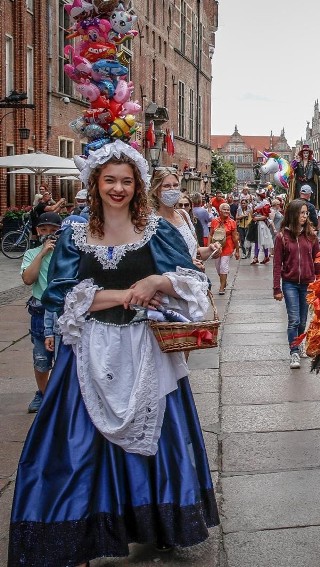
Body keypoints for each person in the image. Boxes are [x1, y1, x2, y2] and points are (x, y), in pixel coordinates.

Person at [7, 141, 219, 566]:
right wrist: (123, 293)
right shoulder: (73, 233)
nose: (118, 188)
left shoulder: (157, 231)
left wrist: (157, 282)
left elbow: (195, 284)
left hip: (144, 350)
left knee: (156, 442)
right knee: (75, 445)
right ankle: (78, 533)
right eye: (110, 180)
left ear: (137, 184)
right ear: (95, 183)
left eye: (126, 180)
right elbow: (61, 295)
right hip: (88, 349)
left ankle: (155, 524)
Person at [20, 212, 62, 414]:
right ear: (37, 231)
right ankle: (43, 394)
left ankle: (60, 394)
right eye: (43, 230)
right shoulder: (32, 254)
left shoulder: (66, 253)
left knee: (63, 355)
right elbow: (28, 279)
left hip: (62, 311)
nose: (48, 234)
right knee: (41, 358)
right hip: (40, 309)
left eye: (53, 231)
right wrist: (42, 253)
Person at [272, 199, 320, 369]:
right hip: (290, 283)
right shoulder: (282, 237)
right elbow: (277, 264)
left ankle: (298, 345)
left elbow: (318, 260)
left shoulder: (311, 235)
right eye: (301, 213)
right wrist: (277, 288)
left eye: (306, 213)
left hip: (307, 283)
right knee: (294, 319)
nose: (305, 216)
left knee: (302, 321)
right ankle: (294, 351)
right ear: (293, 214)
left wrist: (319, 282)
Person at [150, 168, 220, 269]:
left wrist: (211, 250)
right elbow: (154, 261)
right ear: (156, 191)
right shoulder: (151, 221)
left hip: (193, 281)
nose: (172, 190)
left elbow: (195, 251)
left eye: (175, 185)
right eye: (166, 186)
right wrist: (187, 264)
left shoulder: (183, 215)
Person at [209, 202, 240, 294]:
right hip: (216, 247)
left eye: (228, 209)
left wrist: (237, 250)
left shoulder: (232, 222)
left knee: (223, 266)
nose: (227, 211)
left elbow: (235, 237)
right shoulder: (214, 221)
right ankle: (224, 281)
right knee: (218, 267)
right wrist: (208, 247)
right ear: (220, 211)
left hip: (228, 247)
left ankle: (221, 287)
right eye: (224, 209)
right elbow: (210, 235)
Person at [250, 188, 274, 264]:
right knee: (258, 241)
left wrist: (256, 218)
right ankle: (257, 257)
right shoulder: (256, 203)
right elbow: (252, 214)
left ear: (259, 196)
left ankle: (263, 257)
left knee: (263, 241)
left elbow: (266, 216)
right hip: (256, 224)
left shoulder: (265, 204)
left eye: (256, 195)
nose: (255, 197)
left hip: (262, 225)